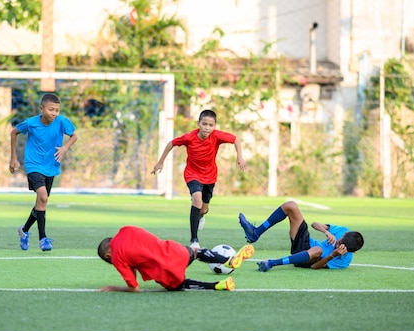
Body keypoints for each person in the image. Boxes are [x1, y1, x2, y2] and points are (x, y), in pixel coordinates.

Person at [151, 109, 247, 248]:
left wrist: (240, 156)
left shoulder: (217, 136)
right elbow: (171, 143)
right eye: (204, 124)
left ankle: (201, 215)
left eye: (210, 125)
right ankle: (194, 240)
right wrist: (160, 162)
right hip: (192, 174)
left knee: (203, 208)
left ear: (214, 126)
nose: (207, 128)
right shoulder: (189, 138)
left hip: (210, 176)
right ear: (199, 124)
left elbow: (235, 139)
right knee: (196, 199)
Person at [10, 93, 78, 251]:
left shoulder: (61, 121)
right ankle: (43, 239)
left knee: (41, 202)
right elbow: (14, 132)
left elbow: (74, 135)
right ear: (42, 109)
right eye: (51, 109)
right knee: (43, 197)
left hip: (51, 166)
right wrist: (13, 158)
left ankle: (24, 230)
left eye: (57, 110)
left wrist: (64, 148)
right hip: (33, 165)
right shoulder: (31, 123)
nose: (54, 113)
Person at [97, 226, 255, 292]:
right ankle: (227, 260)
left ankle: (218, 285)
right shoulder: (125, 230)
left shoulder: (117, 257)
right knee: (196, 252)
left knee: (178, 285)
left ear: (108, 256)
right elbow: (136, 250)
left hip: (165, 271)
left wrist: (114, 287)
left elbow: (134, 288)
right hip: (174, 250)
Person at [238, 201, 364, 271]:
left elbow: (315, 266)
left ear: (351, 251)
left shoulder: (344, 261)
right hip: (306, 243)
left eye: (340, 246)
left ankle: (272, 263)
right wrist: (326, 232)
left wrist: (332, 255)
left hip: (308, 260)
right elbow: (314, 224)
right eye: (339, 241)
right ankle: (255, 233)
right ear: (345, 234)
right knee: (291, 206)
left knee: (318, 250)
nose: (337, 244)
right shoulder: (343, 230)